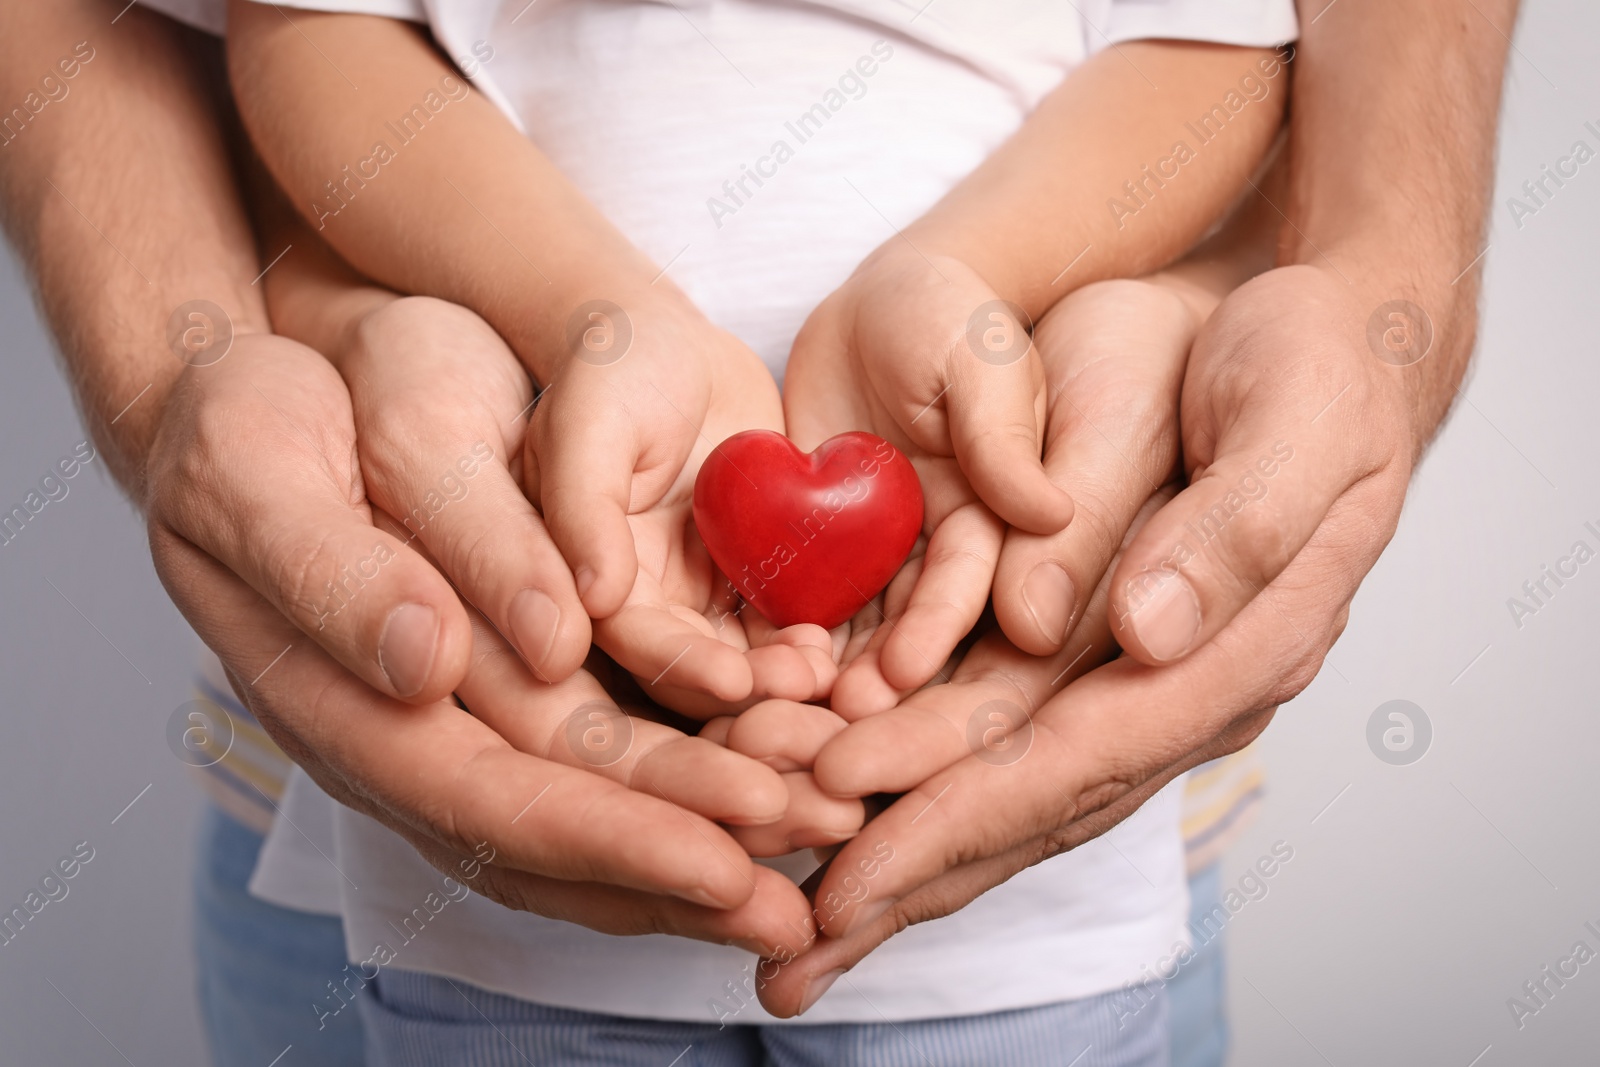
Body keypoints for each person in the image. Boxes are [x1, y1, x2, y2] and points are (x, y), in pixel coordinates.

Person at [0, 0, 1518, 1063]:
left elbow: (1211, 40)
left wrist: (969, 270)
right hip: (464, 805)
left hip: (1036, 860)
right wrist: (583, 314)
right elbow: (312, 37)